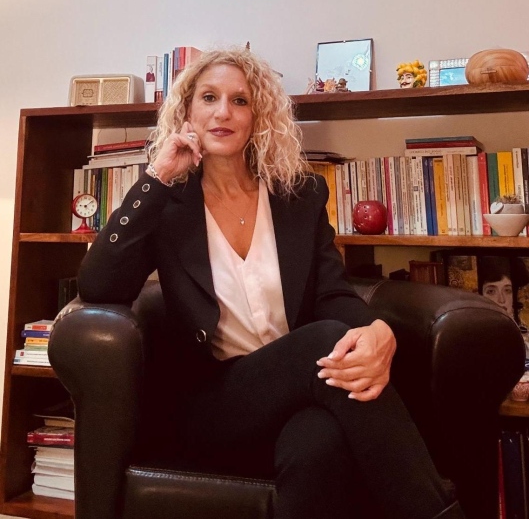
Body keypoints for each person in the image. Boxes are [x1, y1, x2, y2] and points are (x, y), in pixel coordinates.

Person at [77, 47, 465, 519]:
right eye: (209, 98)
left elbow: (331, 292)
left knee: (319, 440)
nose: (223, 112)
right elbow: (99, 285)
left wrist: (376, 330)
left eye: (239, 101)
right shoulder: (168, 203)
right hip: (211, 405)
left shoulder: (298, 195)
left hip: (302, 393)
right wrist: (157, 177)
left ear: (257, 116)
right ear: (187, 112)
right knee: (327, 341)